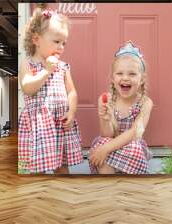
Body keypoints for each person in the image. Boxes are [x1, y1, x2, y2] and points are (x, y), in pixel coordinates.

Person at [18, 8, 83, 174]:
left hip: (59, 122)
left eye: (64, 43)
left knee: (62, 166)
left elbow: (72, 92)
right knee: (38, 166)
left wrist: (72, 111)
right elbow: (27, 87)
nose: (61, 47)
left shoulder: (62, 66)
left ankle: (61, 193)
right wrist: (46, 70)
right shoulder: (28, 64)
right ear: (36, 39)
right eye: (56, 41)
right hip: (40, 123)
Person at [89, 41, 153, 174]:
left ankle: (129, 188)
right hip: (111, 142)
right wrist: (106, 119)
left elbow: (135, 132)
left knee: (134, 147)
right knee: (102, 142)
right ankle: (109, 189)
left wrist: (106, 149)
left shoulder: (145, 103)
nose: (125, 78)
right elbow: (107, 134)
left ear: (142, 79)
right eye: (119, 74)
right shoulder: (106, 100)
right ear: (112, 78)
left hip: (130, 146)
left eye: (132, 74)